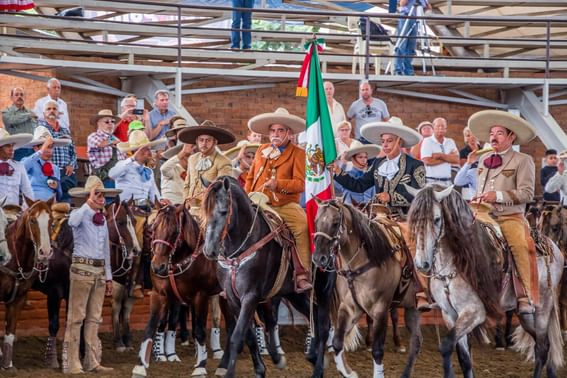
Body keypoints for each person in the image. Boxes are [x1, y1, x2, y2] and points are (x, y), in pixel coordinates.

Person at [331, 116, 429, 310]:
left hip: (403, 217)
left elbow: (419, 194)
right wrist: (338, 173)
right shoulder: (377, 164)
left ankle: (421, 291)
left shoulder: (415, 165)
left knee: (411, 243)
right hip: (378, 217)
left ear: (399, 141)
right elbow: (359, 186)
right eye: (383, 141)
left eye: (389, 141)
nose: (384, 145)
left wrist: (391, 196)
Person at [469, 109, 537, 315]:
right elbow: (481, 189)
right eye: (491, 133)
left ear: (511, 136)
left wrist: (496, 196)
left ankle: (525, 294)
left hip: (509, 216)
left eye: (499, 133)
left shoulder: (523, 160)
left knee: (519, 245)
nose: (493, 137)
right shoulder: (483, 160)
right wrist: (477, 198)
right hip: (480, 213)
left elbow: (527, 193)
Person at [245, 107, 313, 292]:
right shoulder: (261, 150)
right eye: (273, 130)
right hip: (256, 201)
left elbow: (301, 184)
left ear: (289, 133)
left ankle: (302, 273)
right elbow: (251, 177)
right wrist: (246, 197)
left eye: (280, 130)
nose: (275, 134)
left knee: (301, 227)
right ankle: (230, 271)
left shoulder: (298, 153)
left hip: (283, 204)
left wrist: (279, 184)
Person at [62, 176, 121, 374]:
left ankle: (92, 361)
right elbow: (72, 221)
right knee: (76, 317)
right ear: (89, 196)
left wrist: (109, 276)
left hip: (98, 272)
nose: (101, 197)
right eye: (98, 194)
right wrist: (88, 203)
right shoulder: (80, 213)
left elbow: (105, 250)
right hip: (82, 270)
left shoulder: (102, 219)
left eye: (102, 194)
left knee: (94, 318)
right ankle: (72, 363)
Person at [109, 130, 167, 298]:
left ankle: (157, 274)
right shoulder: (124, 166)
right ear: (135, 152)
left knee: (163, 228)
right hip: (127, 211)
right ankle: (134, 281)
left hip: (146, 209)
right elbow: (112, 174)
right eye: (145, 150)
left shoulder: (148, 172)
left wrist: (162, 200)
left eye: (148, 150)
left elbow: (154, 193)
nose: (149, 153)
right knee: (138, 241)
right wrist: (132, 159)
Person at [178, 120, 235, 208]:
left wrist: (201, 204)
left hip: (209, 211)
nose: (204, 144)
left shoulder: (224, 162)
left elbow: (222, 191)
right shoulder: (192, 159)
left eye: (208, 140)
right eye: (201, 140)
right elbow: (187, 185)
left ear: (215, 142)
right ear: (197, 141)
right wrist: (186, 203)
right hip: (189, 210)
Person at [37, 100, 77, 202]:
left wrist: (71, 165)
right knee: (49, 202)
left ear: (58, 113)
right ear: (44, 113)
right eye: (48, 109)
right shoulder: (39, 129)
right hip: (48, 171)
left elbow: (73, 151)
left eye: (54, 109)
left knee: (65, 203)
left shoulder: (65, 130)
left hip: (65, 172)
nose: (51, 111)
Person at [22, 126, 71, 201]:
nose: (49, 150)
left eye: (51, 147)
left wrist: (57, 187)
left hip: (50, 203)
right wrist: (41, 151)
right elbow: (22, 168)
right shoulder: (29, 162)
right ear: (36, 148)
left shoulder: (55, 168)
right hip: (33, 203)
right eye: (45, 147)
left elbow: (58, 193)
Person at [0, 129, 33, 235]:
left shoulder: (19, 166)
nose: (12, 149)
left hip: (14, 213)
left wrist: (27, 208)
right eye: (7, 146)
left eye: (12, 146)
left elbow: (27, 190)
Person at [87, 109, 126, 189]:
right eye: (107, 122)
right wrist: (116, 142)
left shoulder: (115, 138)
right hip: (103, 179)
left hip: (119, 178)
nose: (111, 124)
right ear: (98, 123)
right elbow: (101, 144)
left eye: (112, 122)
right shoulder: (93, 136)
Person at [394, 0, 431, 76]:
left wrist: (425, 5)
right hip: (406, 16)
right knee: (402, 43)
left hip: (415, 17)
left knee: (411, 46)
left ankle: (408, 69)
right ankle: (398, 69)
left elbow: (427, 7)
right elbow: (402, 3)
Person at [420, 117, 459, 186]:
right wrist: (448, 158)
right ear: (433, 127)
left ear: (446, 129)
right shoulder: (427, 141)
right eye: (438, 126)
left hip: (448, 181)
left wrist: (440, 155)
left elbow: (456, 159)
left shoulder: (450, 141)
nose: (440, 128)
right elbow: (427, 161)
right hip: (432, 181)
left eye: (443, 126)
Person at [2, 87, 37, 160]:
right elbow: (11, 120)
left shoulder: (31, 113)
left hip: (32, 149)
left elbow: (36, 128)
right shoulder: (6, 112)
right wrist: (28, 115)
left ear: (25, 97)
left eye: (21, 94)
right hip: (16, 150)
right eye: (16, 94)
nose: (19, 96)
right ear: (11, 97)